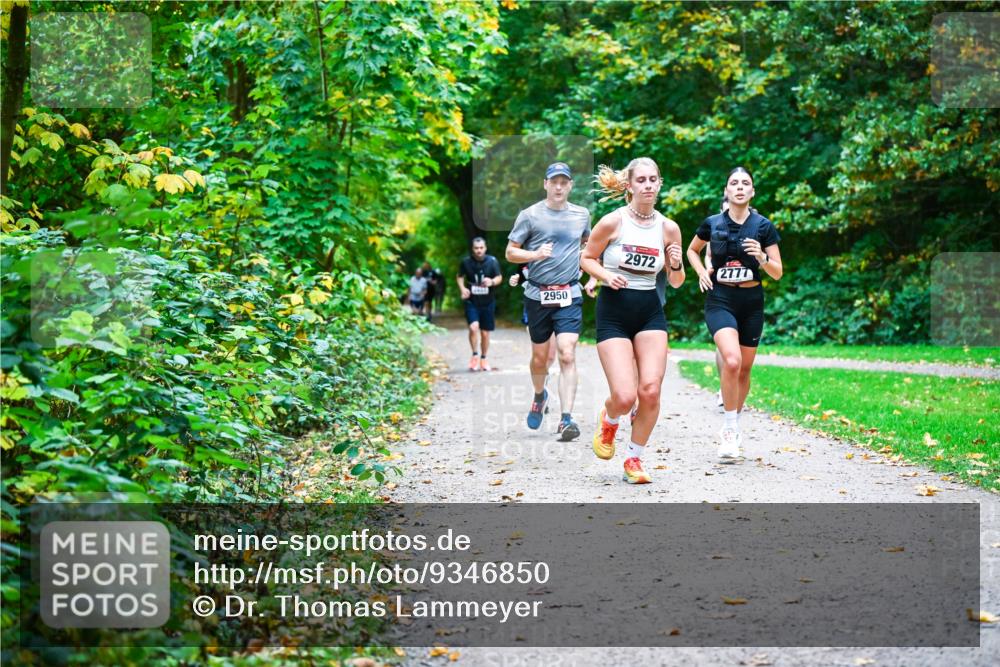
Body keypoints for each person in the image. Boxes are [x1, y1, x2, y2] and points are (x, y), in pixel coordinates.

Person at [581, 158, 685, 484]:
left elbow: (678, 281)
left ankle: (634, 459)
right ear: (629, 185)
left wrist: (677, 263)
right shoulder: (613, 222)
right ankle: (610, 418)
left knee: (651, 391)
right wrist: (606, 276)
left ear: (660, 183)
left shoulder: (668, 228)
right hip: (613, 312)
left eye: (654, 179)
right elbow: (586, 258)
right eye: (641, 180)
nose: (648, 185)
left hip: (649, 311)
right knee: (625, 397)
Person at [686, 167, 783, 461]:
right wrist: (703, 272)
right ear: (727, 191)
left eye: (745, 183)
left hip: (751, 301)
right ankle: (728, 429)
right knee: (731, 359)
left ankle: (735, 423)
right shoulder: (713, 223)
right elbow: (692, 250)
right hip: (721, 299)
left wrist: (762, 257)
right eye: (734, 183)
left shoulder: (763, 226)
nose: (739, 187)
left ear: (752, 192)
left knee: (744, 369)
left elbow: (777, 272)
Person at [505, 162, 594, 441]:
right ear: (545, 184)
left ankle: (566, 419)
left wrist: (593, 275)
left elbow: (590, 248)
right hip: (537, 294)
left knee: (567, 353)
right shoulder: (529, 215)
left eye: (563, 182)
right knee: (540, 359)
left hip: (569, 293)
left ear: (570, 186)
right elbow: (510, 252)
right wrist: (534, 256)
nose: (558, 187)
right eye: (553, 181)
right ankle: (539, 395)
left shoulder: (582, 215)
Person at [457, 237, 502, 372]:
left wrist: (492, 282)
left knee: (485, 333)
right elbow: (459, 276)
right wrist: (463, 289)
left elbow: (499, 277)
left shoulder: (492, 261)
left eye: (481, 248)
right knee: (473, 327)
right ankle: (475, 355)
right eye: (476, 248)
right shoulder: (466, 262)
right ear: (473, 249)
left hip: (488, 302)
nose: (479, 251)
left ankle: (484, 358)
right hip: (472, 301)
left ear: (485, 248)